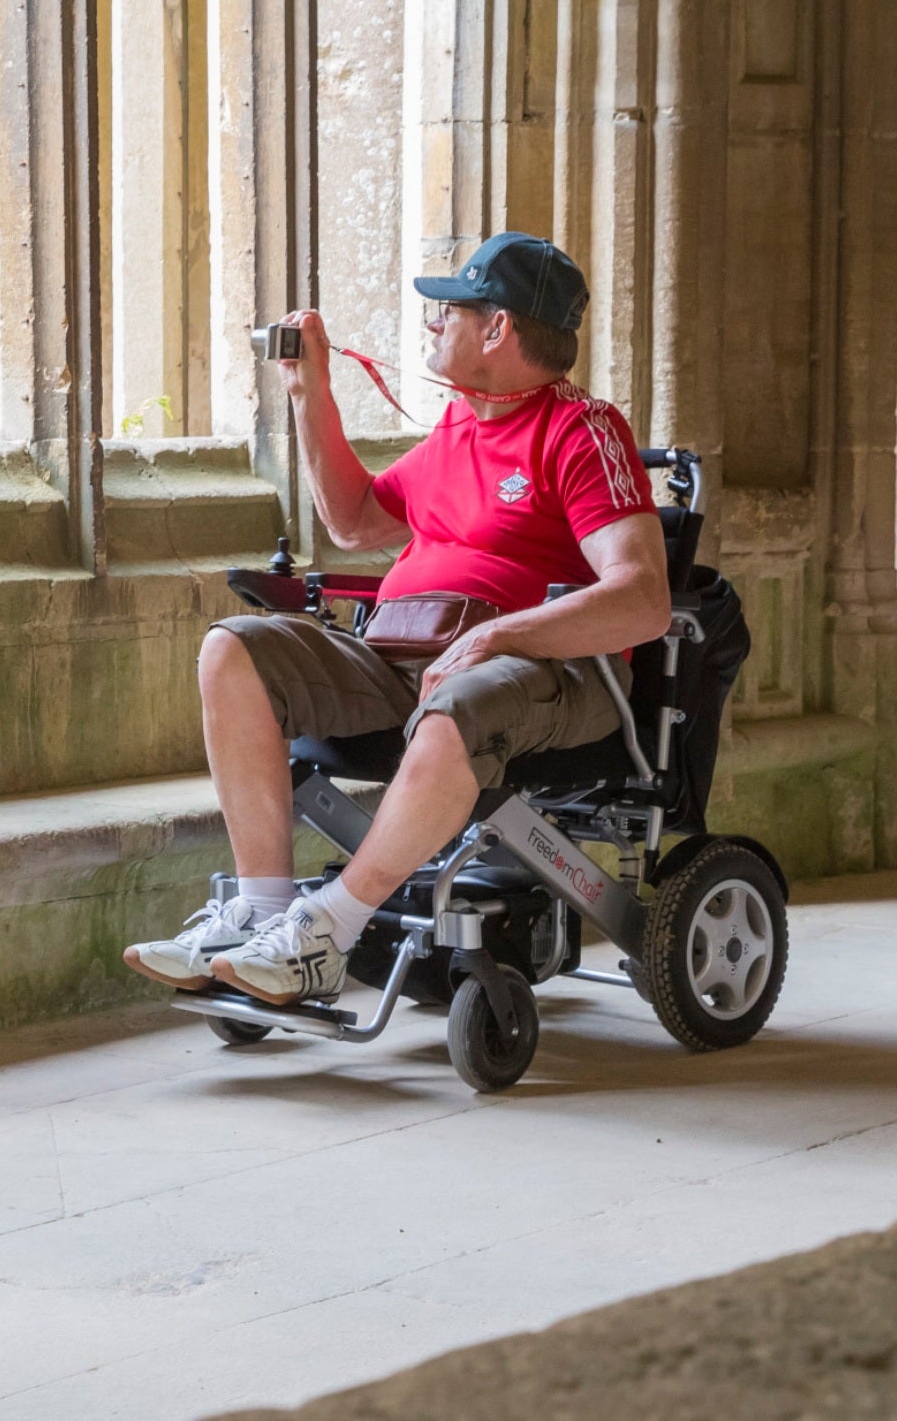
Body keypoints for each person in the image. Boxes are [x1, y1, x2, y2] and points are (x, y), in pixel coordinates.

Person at [125, 232, 673, 1005]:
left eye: (448, 310)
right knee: (232, 650)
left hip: (540, 673)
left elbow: (643, 598)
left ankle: (329, 933)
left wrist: (499, 633)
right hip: (407, 648)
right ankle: (264, 911)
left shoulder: (581, 432)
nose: (431, 324)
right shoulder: (458, 427)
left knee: (455, 706)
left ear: (498, 328)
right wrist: (309, 392)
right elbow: (352, 521)